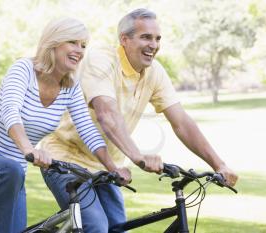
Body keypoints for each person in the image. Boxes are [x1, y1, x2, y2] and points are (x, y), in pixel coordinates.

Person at [39, 8, 239, 233]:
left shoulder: (155, 72)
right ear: (124, 39)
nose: (153, 45)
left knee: (118, 228)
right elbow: (106, 113)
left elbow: (181, 121)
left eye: (157, 38)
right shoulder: (101, 60)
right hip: (66, 160)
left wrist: (218, 164)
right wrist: (137, 156)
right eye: (146, 37)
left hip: (106, 166)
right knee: (95, 226)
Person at [0, 17, 128, 233]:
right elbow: (10, 112)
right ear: (53, 42)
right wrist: (28, 149)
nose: (79, 50)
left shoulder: (70, 86)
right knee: (10, 168)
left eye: (83, 45)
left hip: (13, 177)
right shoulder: (23, 69)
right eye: (73, 42)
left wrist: (113, 168)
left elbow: (87, 129)